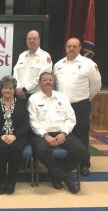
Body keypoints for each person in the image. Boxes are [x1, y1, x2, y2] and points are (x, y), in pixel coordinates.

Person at [28, 72, 89, 194]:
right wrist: (46, 136)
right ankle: (66, 179)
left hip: (62, 132)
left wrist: (64, 134)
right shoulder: (33, 98)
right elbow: (33, 121)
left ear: (53, 82)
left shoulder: (63, 97)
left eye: (50, 80)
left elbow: (71, 119)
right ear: (40, 83)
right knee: (41, 150)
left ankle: (55, 174)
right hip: (42, 134)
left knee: (81, 150)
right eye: (44, 80)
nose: (48, 82)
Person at [53, 37, 102, 176]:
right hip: (61, 107)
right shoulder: (58, 65)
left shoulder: (89, 64)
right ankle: (65, 161)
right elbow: (55, 85)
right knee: (63, 134)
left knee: (81, 135)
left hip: (80, 105)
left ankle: (84, 164)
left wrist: (85, 99)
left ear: (80, 48)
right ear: (65, 47)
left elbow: (96, 86)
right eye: (69, 46)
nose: (72, 48)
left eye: (75, 46)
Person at [0, 75, 30, 195]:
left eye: (10, 88)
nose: (7, 90)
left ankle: (11, 181)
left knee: (15, 149)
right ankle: (2, 180)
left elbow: (26, 124)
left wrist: (14, 136)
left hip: (18, 136)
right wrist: (1, 135)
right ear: (1, 89)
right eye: (5, 88)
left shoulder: (21, 104)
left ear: (14, 90)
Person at [13, 29, 52, 101]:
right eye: (29, 39)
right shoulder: (22, 55)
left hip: (36, 96)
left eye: (34, 38)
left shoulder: (45, 56)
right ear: (26, 41)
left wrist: (25, 89)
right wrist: (18, 88)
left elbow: (42, 77)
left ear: (39, 40)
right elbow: (15, 73)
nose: (31, 41)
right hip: (19, 95)